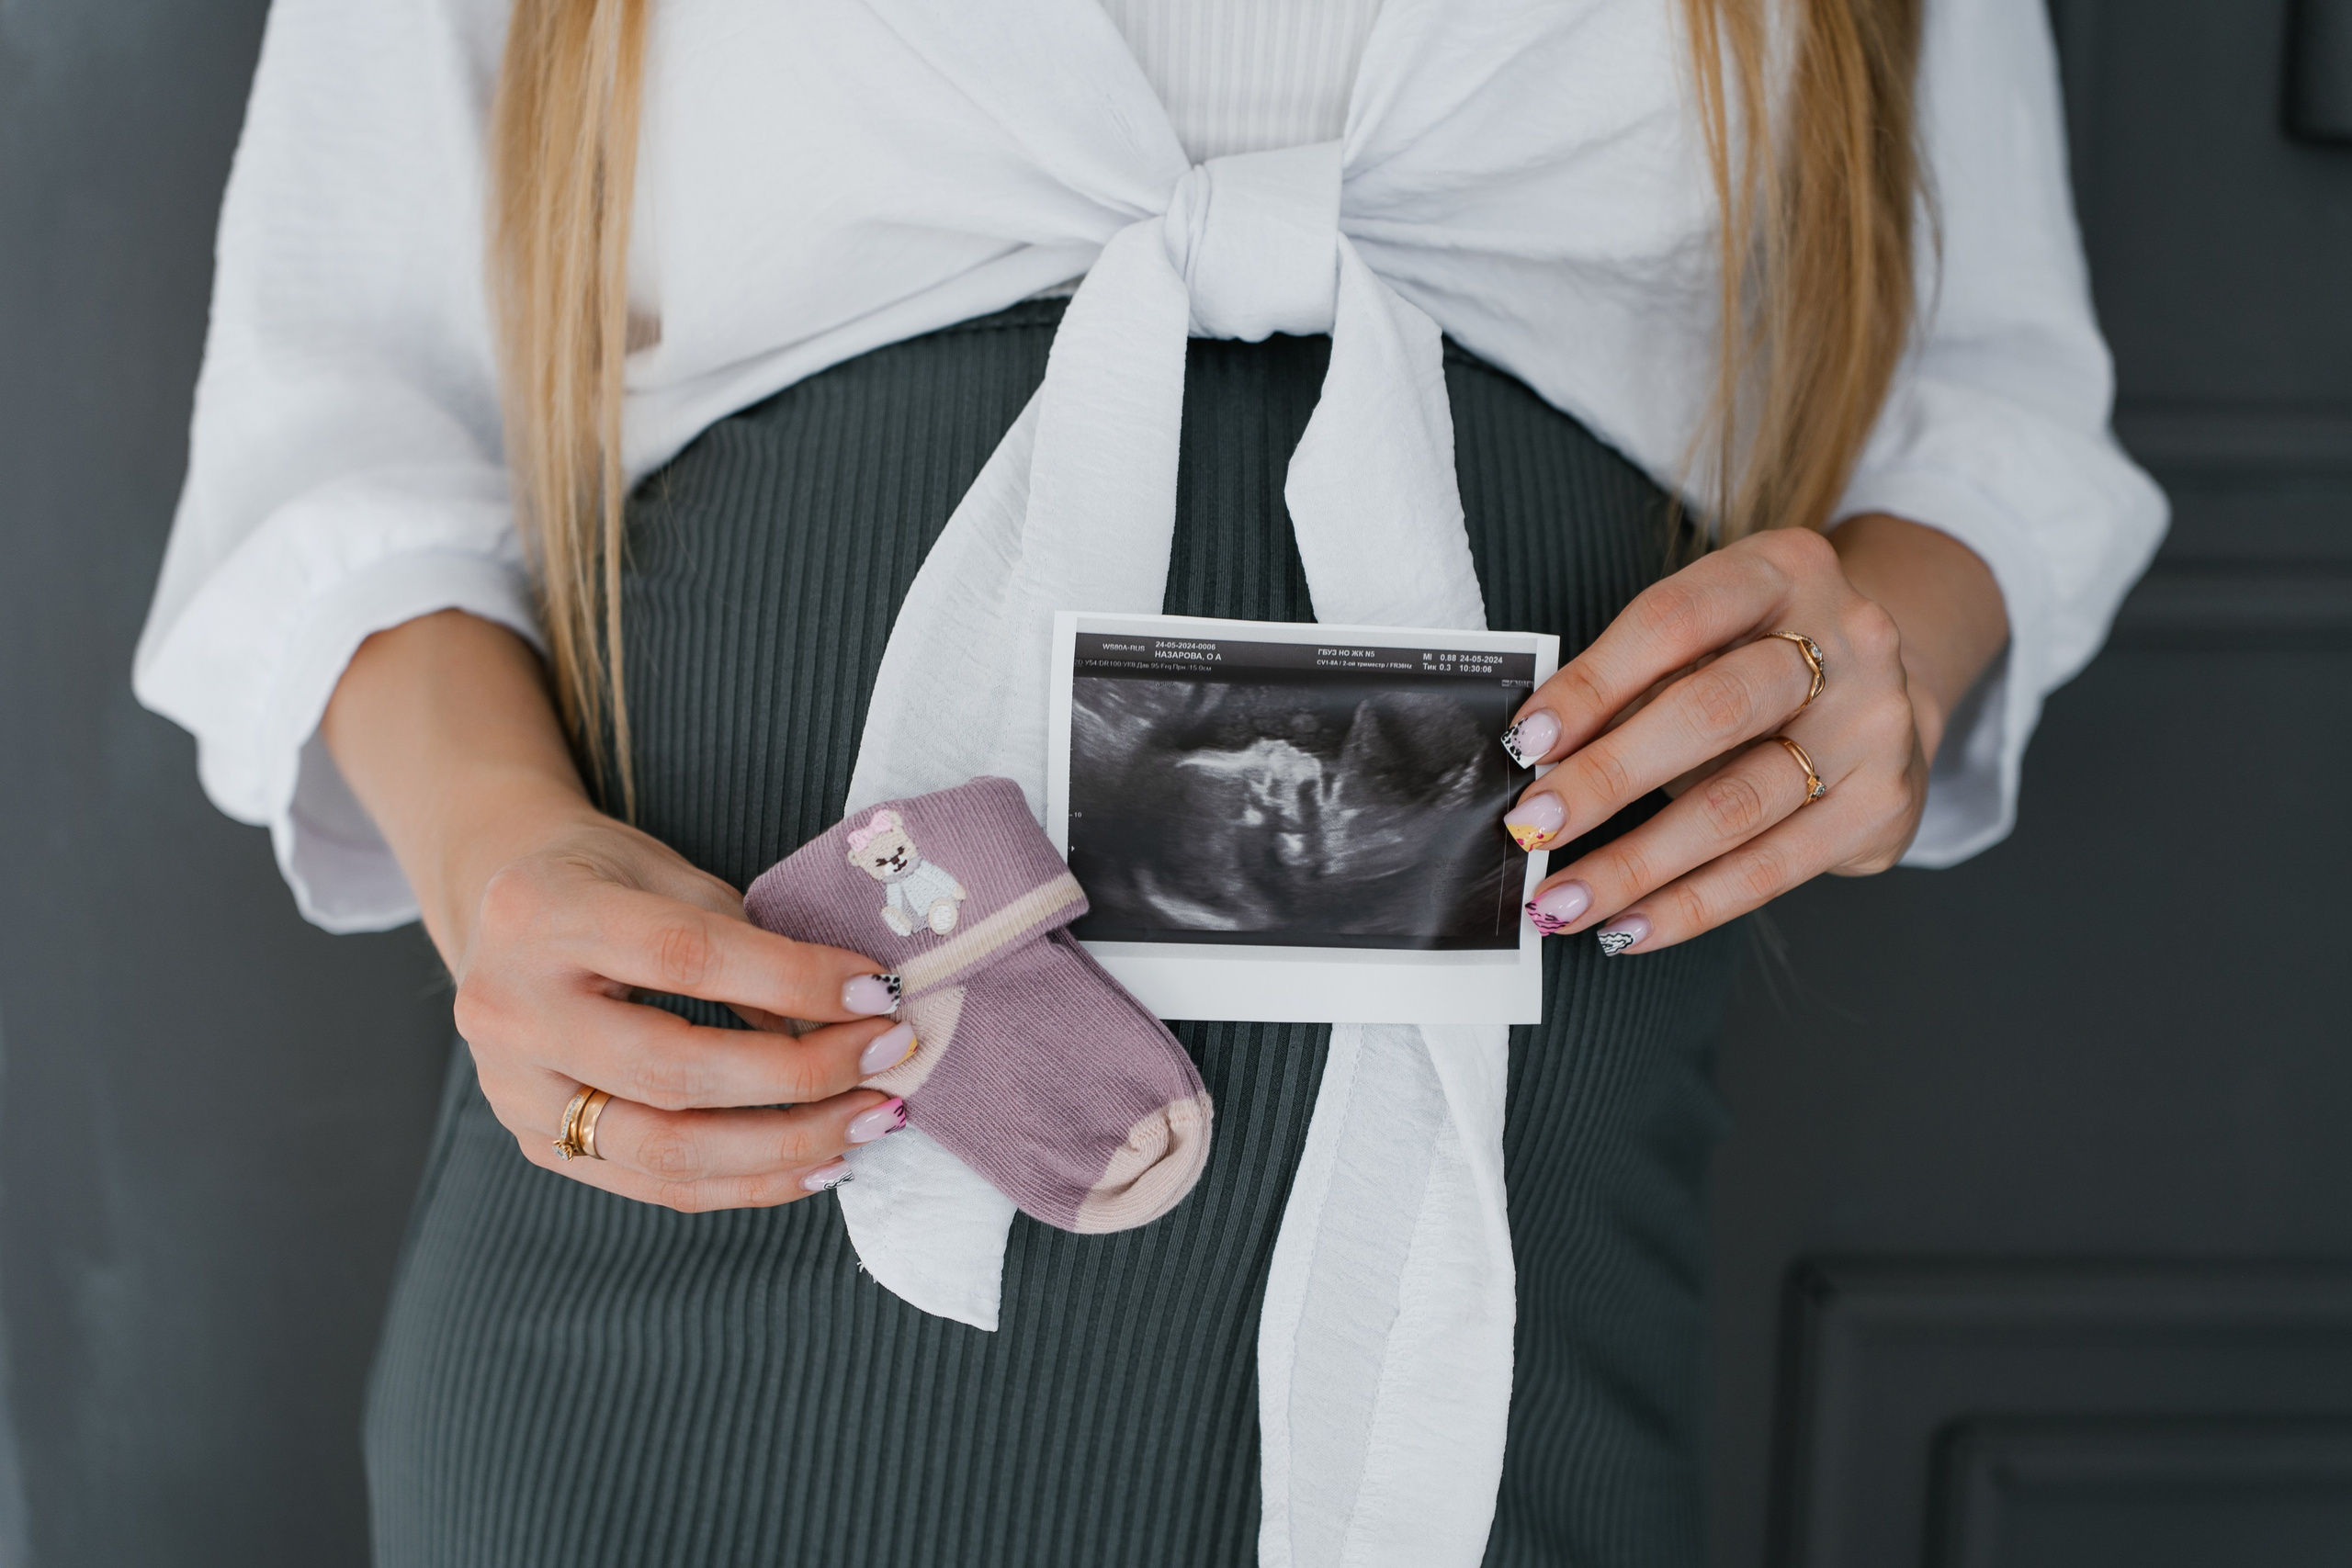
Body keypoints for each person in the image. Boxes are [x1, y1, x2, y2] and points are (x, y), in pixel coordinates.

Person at [134, 0, 2165, 1562]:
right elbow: (349, 435)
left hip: (1484, 1271)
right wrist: (502, 862)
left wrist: (1875, 661)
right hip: (708, 1202)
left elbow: (1983, 406)